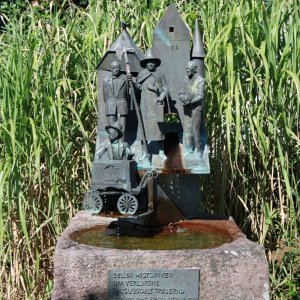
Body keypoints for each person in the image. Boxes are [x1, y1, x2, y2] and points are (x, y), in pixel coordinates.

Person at [134, 49, 169, 161]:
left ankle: (161, 152)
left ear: (155, 63)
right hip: (145, 106)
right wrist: (134, 84)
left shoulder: (159, 74)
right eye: (148, 61)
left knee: (159, 130)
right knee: (143, 129)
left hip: (156, 105)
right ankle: (145, 151)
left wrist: (161, 96)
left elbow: (165, 88)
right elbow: (138, 88)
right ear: (145, 63)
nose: (150, 63)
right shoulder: (142, 74)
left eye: (152, 61)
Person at [179, 61, 205, 156]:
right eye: (186, 69)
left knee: (195, 130)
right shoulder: (185, 79)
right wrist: (182, 98)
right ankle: (189, 149)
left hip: (196, 108)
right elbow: (181, 92)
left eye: (189, 69)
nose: (187, 70)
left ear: (194, 69)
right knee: (187, 129)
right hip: (187, 108)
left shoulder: (200, 80)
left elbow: (201, 95)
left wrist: (191, 101)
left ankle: (199, 150)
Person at [103, 61, 130, 142]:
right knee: (111, 127)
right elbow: (105, 95)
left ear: (120, 68)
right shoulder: (106, 80)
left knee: (122, 126)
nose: (116, 69)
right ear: (111, 69)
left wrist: (131, 80)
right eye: (113, 68)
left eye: (117, 67)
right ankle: (113, 146)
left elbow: (128, 93)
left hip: (122, 104)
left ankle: (122, 145)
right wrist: (110, 103)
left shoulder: (125, 78)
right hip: (110, 105)